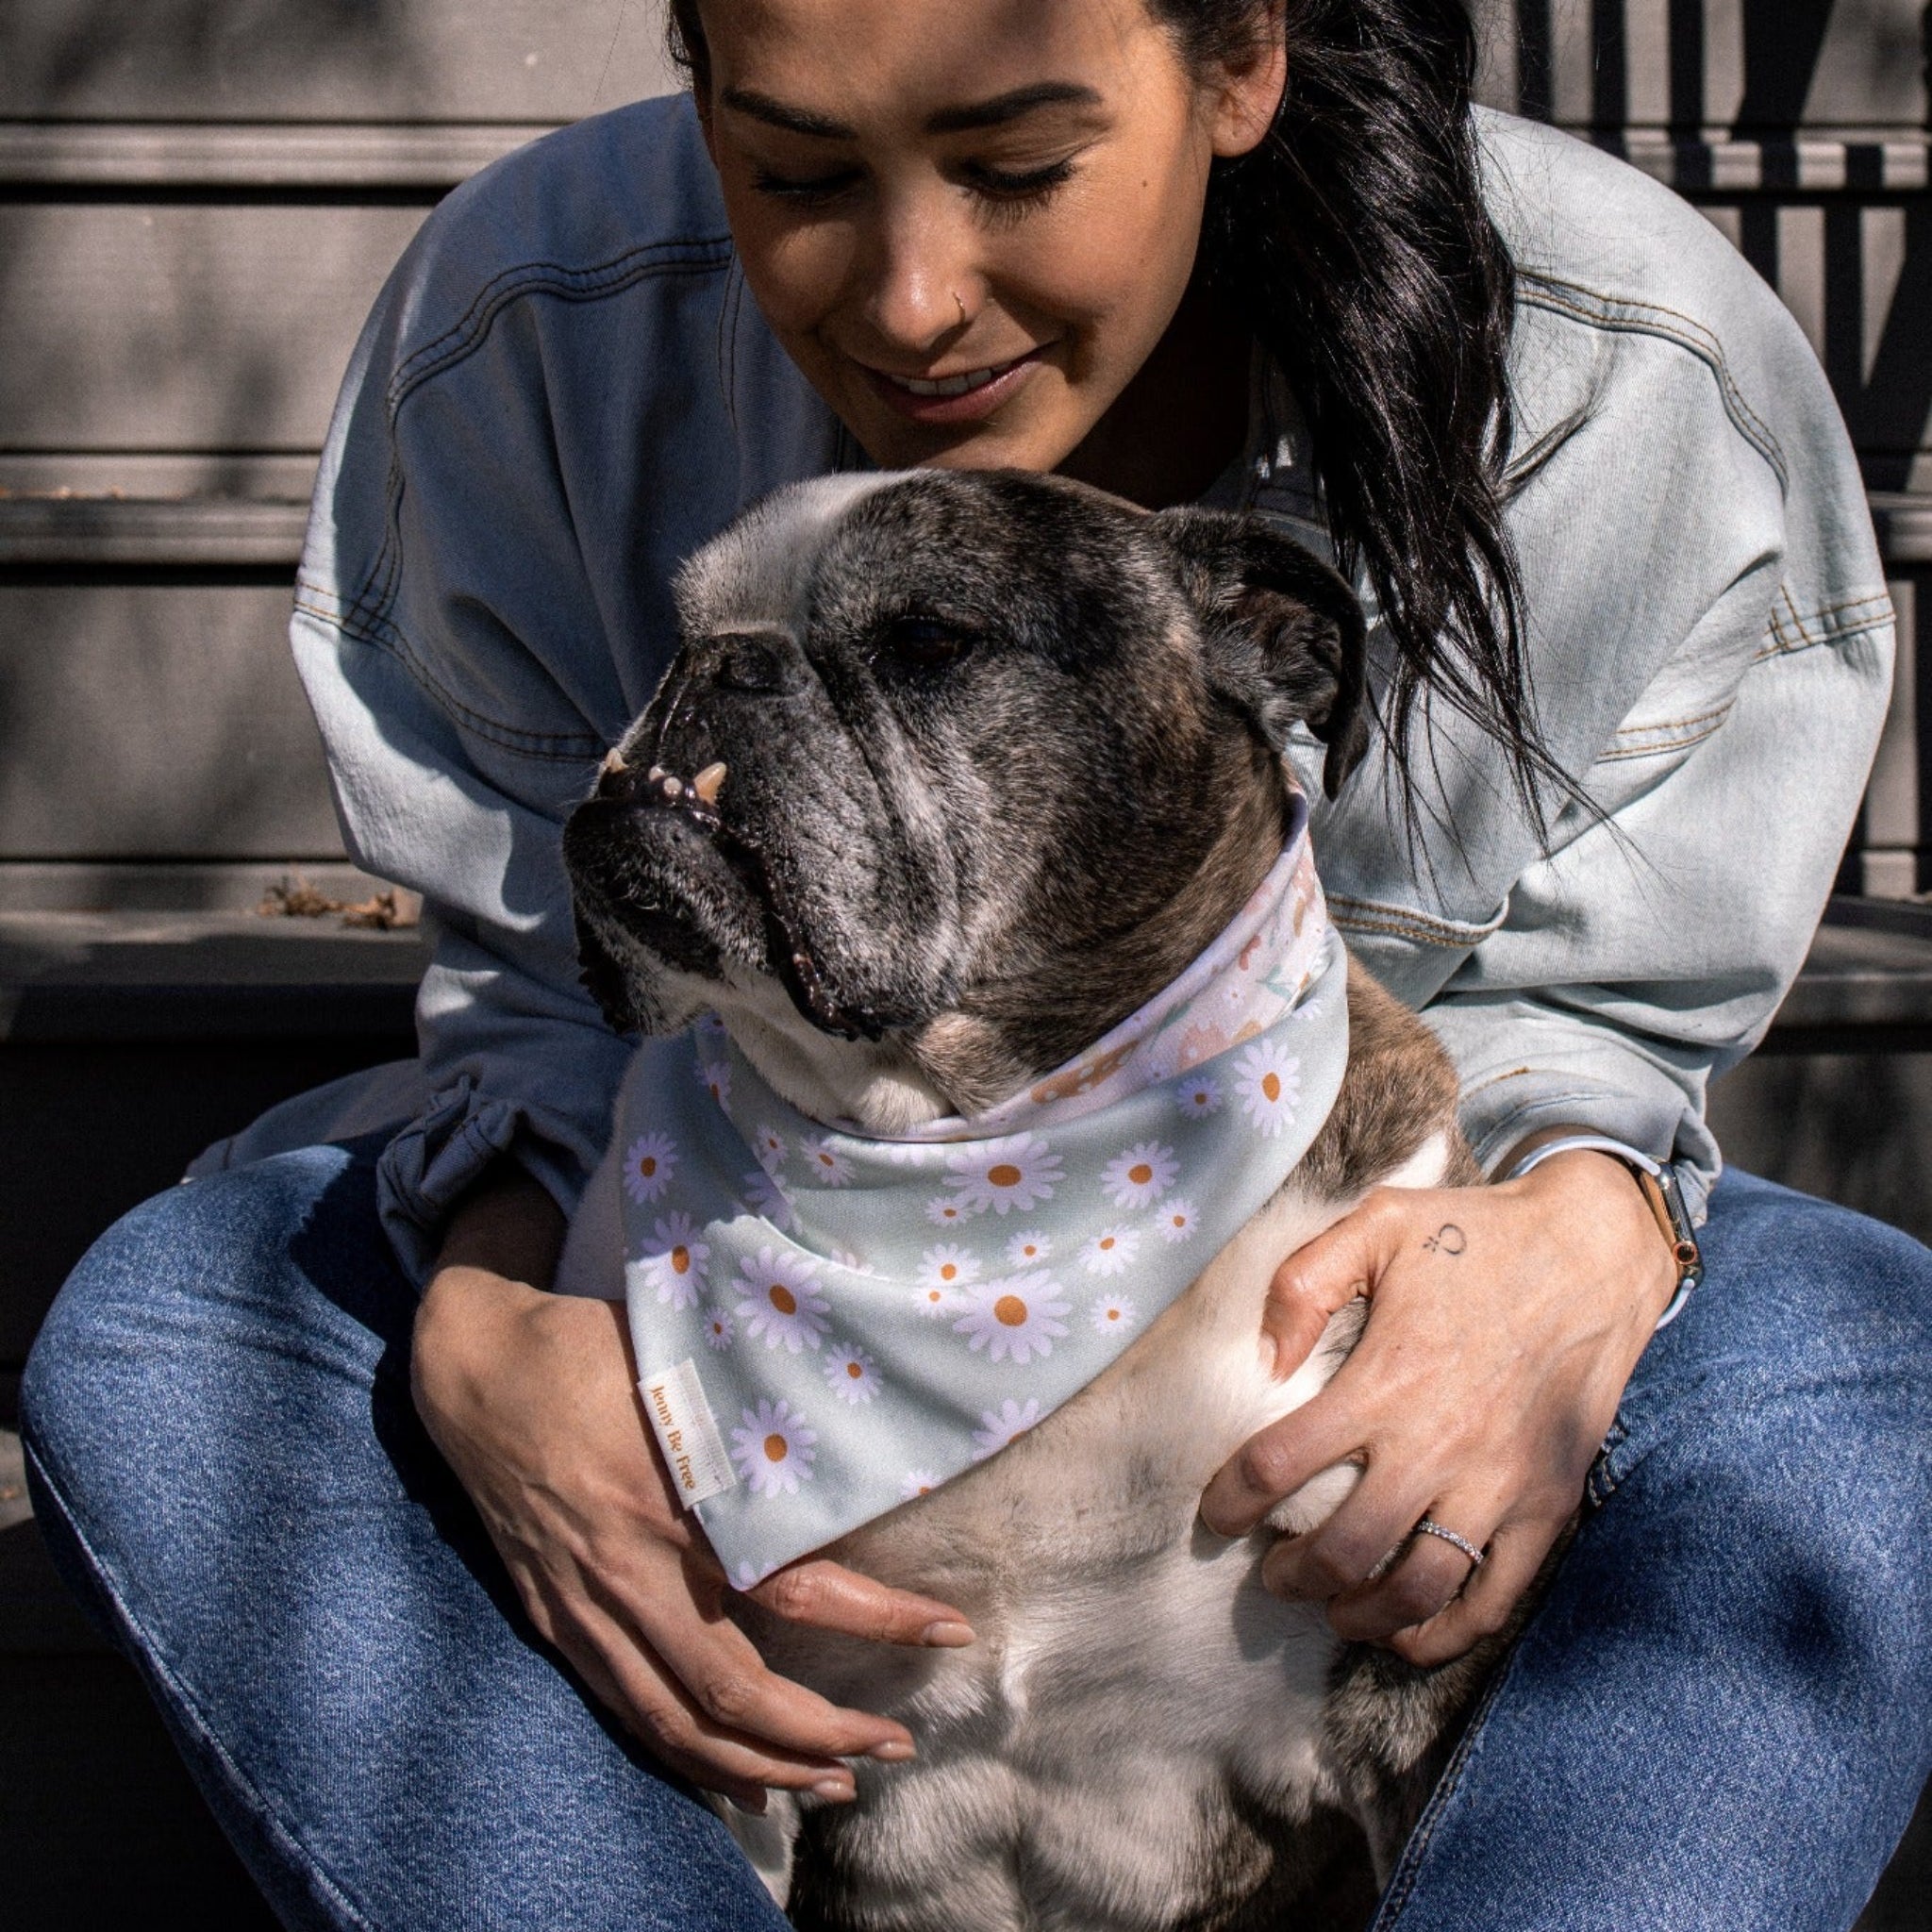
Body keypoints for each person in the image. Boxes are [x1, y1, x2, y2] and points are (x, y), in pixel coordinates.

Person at [20, 0, 1932, 1925]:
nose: (917, 297)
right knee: (179, 1326)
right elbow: (538, 997)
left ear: (1243, 59)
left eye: (1020, 167)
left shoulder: (1627, 376)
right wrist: (499, 1317)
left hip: (1346, 1244)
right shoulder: (539, 328)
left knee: (1850, 1367)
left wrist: (1584, 1223)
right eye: (795, 176)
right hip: (745, 1193)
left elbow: (1606, 1026)